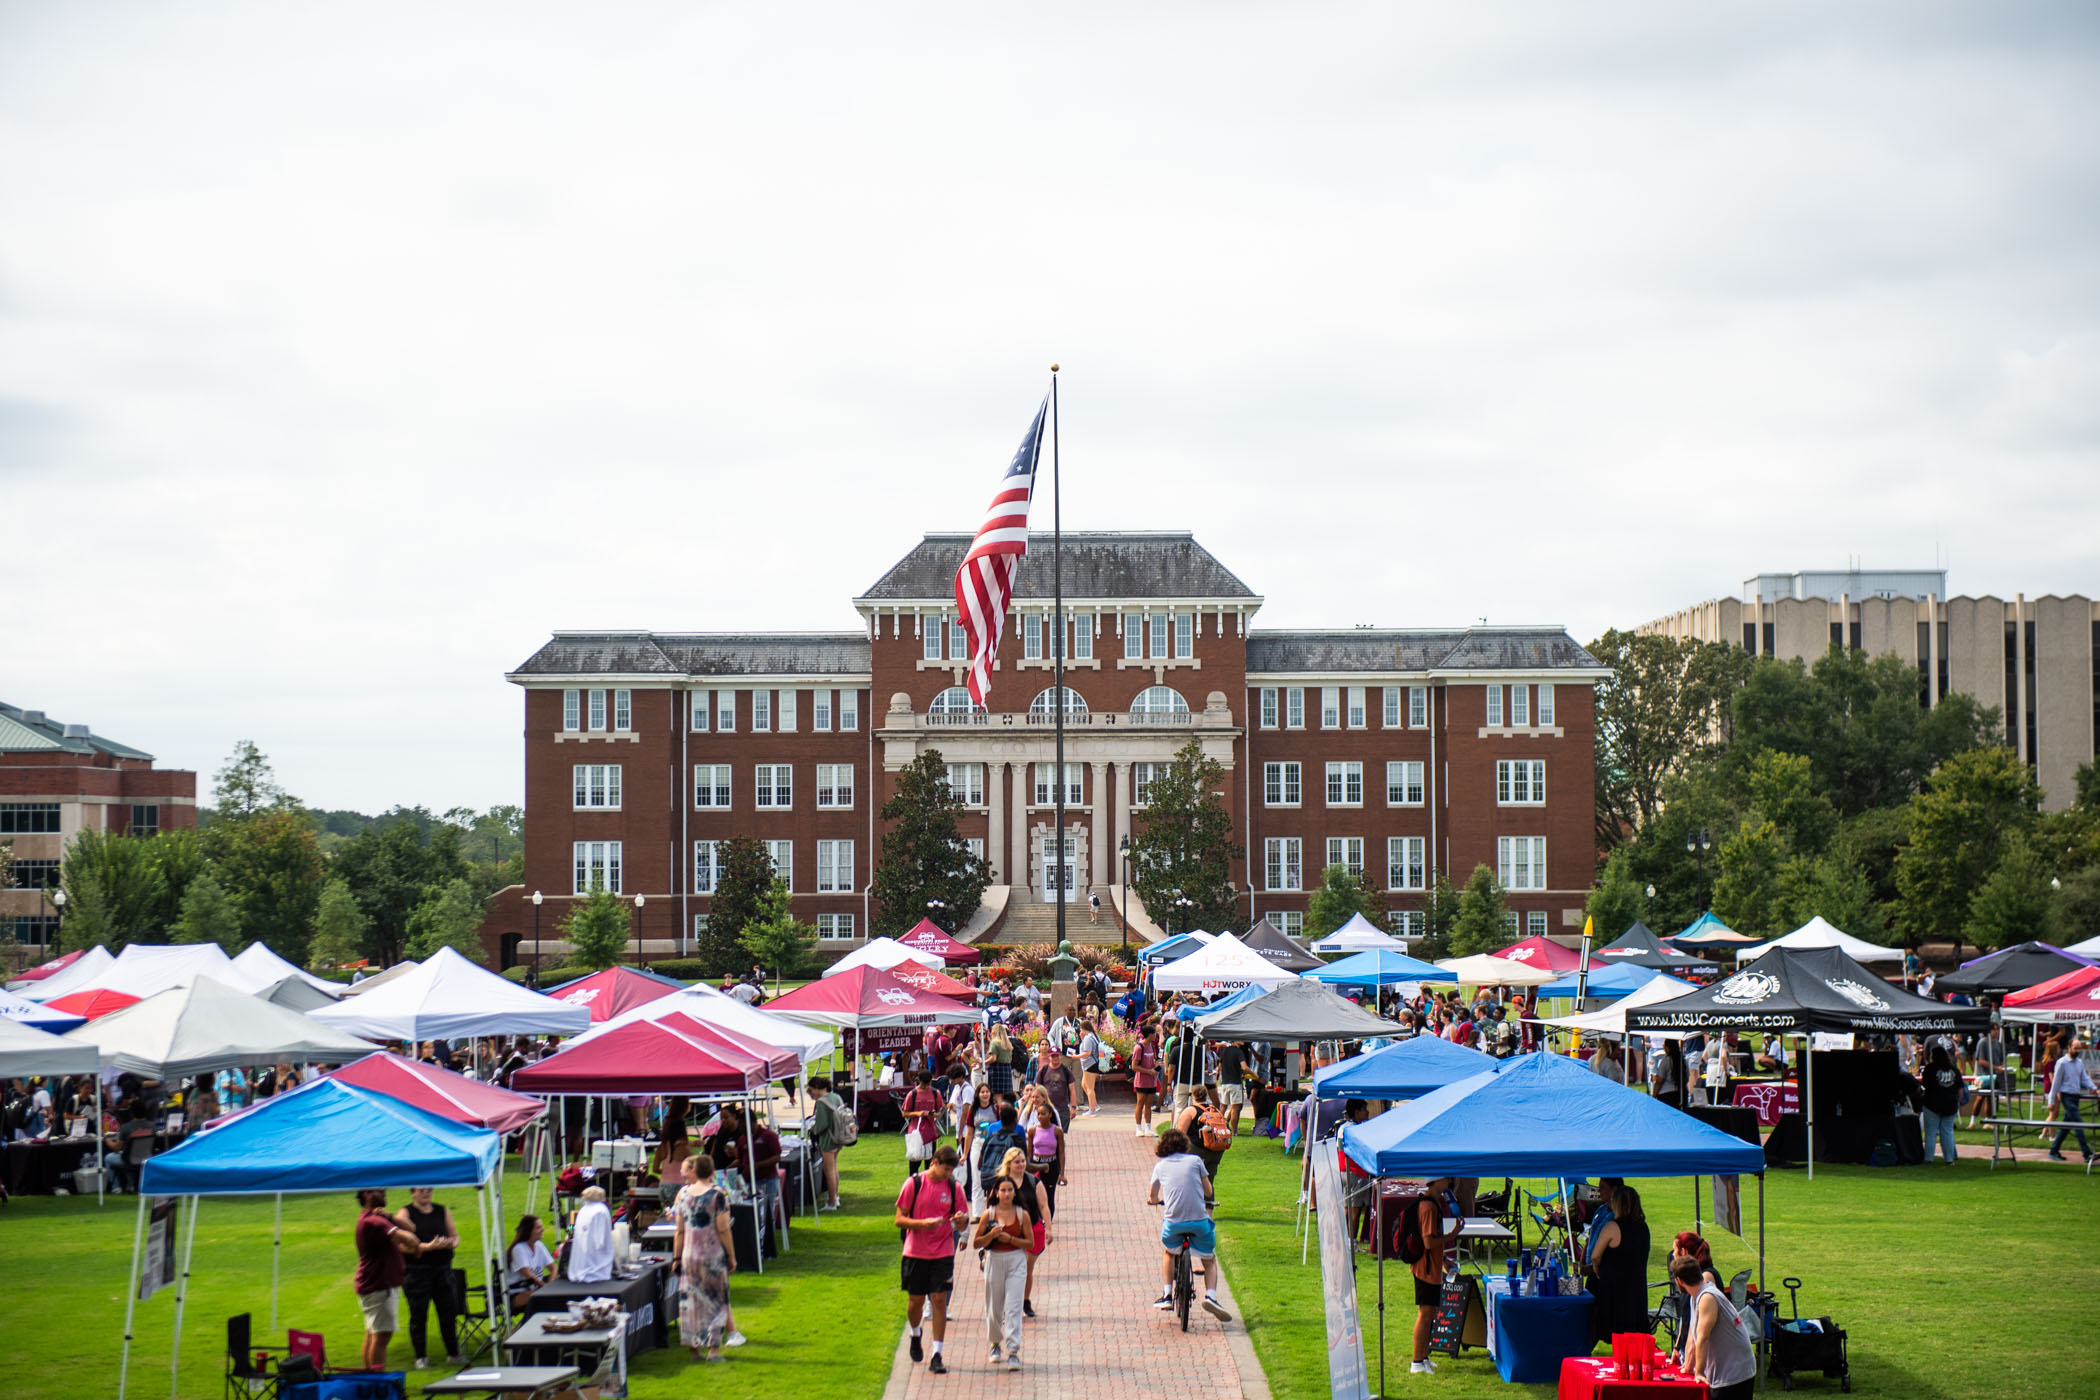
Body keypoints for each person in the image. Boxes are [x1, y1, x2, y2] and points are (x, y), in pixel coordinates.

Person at [896, 1144, 970, 1375]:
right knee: (915, 1302)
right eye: (946, 1170)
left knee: (939, 1299)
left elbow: (963, 1218)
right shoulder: (914, 1184)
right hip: (915, 1251)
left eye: (951, 1171)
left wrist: (960, 1221)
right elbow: (899, 1219)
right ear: (934, 1163)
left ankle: (937, 1353)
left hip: (943, 1251)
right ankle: (915, 1333)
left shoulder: (954, 1187)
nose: (948, 1175)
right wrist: (922, 1224)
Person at [1148, 1129, 1232, 1321]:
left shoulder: (1160, 1166)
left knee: (1170, 1251)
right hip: (1199, 1221)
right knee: (1209, 1260)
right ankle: (1211, 1296)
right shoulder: (1195, 1161)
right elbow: (1208, 1191)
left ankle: (1168, 1294)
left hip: (1174, 1222)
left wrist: (1154, 1201)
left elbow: (1152, 1196)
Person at [673, 1154, 737, 1361]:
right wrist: (732, 1256)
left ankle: (694, 1350)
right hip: (712, 1256)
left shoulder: (683, 1194)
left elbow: (679, 1230)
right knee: (716, 1301)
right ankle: (713, 1350)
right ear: (712, 1173)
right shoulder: (718, 1195)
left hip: (689, 1255)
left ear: (693, 1171)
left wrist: (676, 1257)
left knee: (691, 1302)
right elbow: (723, 1228)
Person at [354, 1189, 423, 1371]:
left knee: (372, 1334)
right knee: (382, 1336)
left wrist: (391, 1217)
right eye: (380, 1190)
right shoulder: (374, 1222)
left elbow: (411, 1227)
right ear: (367, 1194)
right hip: (379, 1286)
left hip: (374, 1285)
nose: (385, 1192)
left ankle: (370, 1378)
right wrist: (417, 1246)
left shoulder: (373, 1218)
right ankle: (378, 1380)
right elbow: (409, 1237)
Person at [394, 1187, 464, 1369]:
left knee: (448, 1313)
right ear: (412, 1193)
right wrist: (427, 1247)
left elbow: (455, 1236)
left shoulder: (442, 1210)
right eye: (421, 1190)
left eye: (429, 1190)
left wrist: (451, 1243)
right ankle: (421, 1357)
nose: (426, 1193)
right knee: (418, 1315)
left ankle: (453, 1353)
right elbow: (400, 1245)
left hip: (442, 1269)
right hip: (417, 1271)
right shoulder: (405, 1213)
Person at [1672, 1254, 1759, 1400]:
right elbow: (1693, 1337)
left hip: (1734, 1372)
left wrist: (1698, 1372)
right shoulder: (1698, 1295)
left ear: (1679, 1281)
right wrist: (1689, 1365)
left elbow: (1703, 1337)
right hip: (1733, 1368)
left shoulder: (1707, 1298)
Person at [974, 1174, 1031, 1369]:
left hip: (1016, 1261)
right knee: (994, 1306)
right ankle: (995, 1343)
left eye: (1010, 1190)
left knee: (1014, 1306)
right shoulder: (989, 1214)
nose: (1007, 1194)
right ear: (996, 1193)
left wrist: (1011, 1240)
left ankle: (1013, 1350)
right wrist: (991, 1235)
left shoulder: (1022, 1215)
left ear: (1015, 1193)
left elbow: (1029, 1243)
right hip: (994, 1260)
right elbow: (976, 1242)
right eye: (1003, 1190)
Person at [993, 1146, 1054, 1319]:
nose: (1020, 1165)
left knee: (1026, 1270)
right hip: (1009, 1230)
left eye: (1022, 1161)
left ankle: (1025, 1301)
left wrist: (1048, 1228)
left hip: (1032, 1231)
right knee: (1011, 1270)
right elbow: (992, 1207)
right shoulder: (1002, 1183)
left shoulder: (1034, 1182)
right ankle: (1008, 1305)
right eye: (1016, 1162)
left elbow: (1044, 1206)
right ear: (1009, 1164)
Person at [1587, 1184, 1651, 1343]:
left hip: (1615, 1288)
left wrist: (1596, 1267)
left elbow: (1595, 1255)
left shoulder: (1612, 1227)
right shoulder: (1643, 1227)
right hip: (1636, 1286)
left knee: (1609, 1325)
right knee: (1633, 1332)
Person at [1407, 1176, 1458, 1374]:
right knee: (1425, 1314)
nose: (1449, 1183)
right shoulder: (1428, 1207)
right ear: (1436, 1181)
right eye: (1446, 1180)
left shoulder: (1433, 1204)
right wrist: (1451, 1236)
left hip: (1432, 1266)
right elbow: (1429, 1242)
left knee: (1431, 1314)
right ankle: (1417, 1362)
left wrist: (1444, 1259)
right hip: (1425, 1269)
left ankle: (1424, 1356)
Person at [2046, 1034, 2096, 1162]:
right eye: (2075, 1048)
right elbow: (2056, 1083)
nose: (2078, 1051)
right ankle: (2087, 1154)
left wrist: (2095, 1088)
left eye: (2079, 1049)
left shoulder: (2079, 1063)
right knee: (2078, 1125)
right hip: (2067, 1097)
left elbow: (2084, 1078)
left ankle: (2054, 1150)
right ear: (2069, 1048)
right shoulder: (2062, 1063)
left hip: (2075, 1097)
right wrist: (2051, 1101)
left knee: (2066, 1126)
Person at [1920, 1040, 1964, 1166]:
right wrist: (1957, 1102)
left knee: (1931, 1132)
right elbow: (1960, 1088)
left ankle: (1928, 1159)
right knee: (1947, 1132)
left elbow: (1925, 1086)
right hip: (1950, 1104)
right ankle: (1949, 1160)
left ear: (1933, 1056)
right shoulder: (1954, 1069)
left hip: (1932, 1104)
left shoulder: (1930, 1069)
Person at [807, 1076, 846, 1211]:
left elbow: (821, 1125)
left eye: (811, 1090)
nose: (811, 1093)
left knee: (828, 1170)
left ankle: (831, 1202)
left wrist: (811, 1128)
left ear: (817, 1087)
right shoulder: (836, 1097)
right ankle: (835, 1196)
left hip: (828, 1139)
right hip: (839, 1137)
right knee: (834, 1167)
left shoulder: (822, 1102)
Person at [506, 1215, 555, 1312]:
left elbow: (554, 1268)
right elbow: (527, 1274)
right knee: (541, 1298)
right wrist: (545, 1288)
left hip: (536, 1289)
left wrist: (550, 1285)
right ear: (529, 1231)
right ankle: (524, 1326)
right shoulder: (518, 1249)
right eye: (538, 1227)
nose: (542, 1230)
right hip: (517, 1292)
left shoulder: (540, 1246)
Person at [1026, 1102, 1066, 1218]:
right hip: (1036, 1163)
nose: (1040, 1117)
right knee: (1037, 1194)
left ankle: (1047, 1220)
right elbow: (1029, 1152)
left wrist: (1061, 1173)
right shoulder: (1033, 1131)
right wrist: (1028, 1169)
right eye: (1038, 1114)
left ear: (1049, 1115)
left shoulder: (1057, 1131)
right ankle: (1039, 1219)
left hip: (1051, 1165)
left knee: (1049, 1194)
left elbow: (1061, 1152)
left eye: (1043, 1114)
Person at [567, 1186, 615, 1281]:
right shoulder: (601, 1211)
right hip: (596, 1268)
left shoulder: (583, 1210)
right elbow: (600, 1242)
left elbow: (571, 1230)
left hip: (579, 1265)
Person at [901, 1070, 944, 1167]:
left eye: (927, 1084)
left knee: (930, 1164)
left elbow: (939, 1112)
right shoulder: (913, 1094)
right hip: (916, 1131)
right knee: (914, 1163)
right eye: (923, 1084)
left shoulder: (935, 1093)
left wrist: (933, 1114)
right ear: (919, 1081)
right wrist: (918, 1113)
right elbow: (904, 1113)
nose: (925, 1087)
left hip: (930, 1132)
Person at [1131, 1021, 1162, 1138]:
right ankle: (1138, 1128)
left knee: (1149, 1104)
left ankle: (1148, 1128)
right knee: (1140, 1103)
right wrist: (1149, 1071)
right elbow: (1135, 1066)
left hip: (1151, 1081)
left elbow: (1152, 1061)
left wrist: (1157, 1065)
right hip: (1142, 1081)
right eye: (1154, 1034)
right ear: (1149, 1034)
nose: (1155, 1036)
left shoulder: (1152, 1046)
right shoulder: (1139, 1047)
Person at [1215, 1039, 1250, 1135]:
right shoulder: (1239, 1052)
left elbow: (1220, 1066)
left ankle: (1218, 1128)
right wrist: (1252, 1073)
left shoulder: (1225, 1051)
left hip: (1225, 1083)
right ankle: (1234, 1132)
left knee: (1223, 1107)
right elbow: (1244, 1067)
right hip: (1235, 1083)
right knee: (1235, 1108)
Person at [1036, 1045, 1075, 1126]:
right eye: (1053, 1056)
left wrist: (1073, 1107)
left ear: (1060, 1056)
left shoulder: (1066, 1070)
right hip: (1047, 1108)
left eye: (1057, 1055)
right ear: (1049, 1057)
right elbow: (1038, 1090)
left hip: (1062, 1109)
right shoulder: (1043, 1070)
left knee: (1060, 1135)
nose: (1055, 1058)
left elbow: (1072, 1090)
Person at [1076, 1021, 1103, 1116]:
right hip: (1092, 1064)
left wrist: (1076, 1057)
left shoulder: (1088, 1038)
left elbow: (1088, 1053)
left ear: (1083, 1028)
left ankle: (1092, 1110)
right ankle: (1094, 1104)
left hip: (1090, 1065)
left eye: (1080, 1029)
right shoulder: (1093, 1036)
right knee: (1084, 1084)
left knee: (1090, 1087)